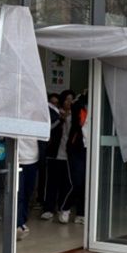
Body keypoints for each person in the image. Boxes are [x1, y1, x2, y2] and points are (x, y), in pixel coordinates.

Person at [41, 90, 74, 223]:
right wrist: (60, 119)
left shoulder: (75, 115)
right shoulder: (55, 113)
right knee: (51, 183)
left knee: (66, 184)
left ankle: (62, 207)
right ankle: (48, 209)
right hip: (54, 153)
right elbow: (48, 128)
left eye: (71, 99)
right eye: (67, 99)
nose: (69, 102)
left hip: (68, 155)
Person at [66, 91, 88, 225]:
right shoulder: (78, 106)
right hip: (77, 149)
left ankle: (81, 213)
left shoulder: (101, 110)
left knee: (86, 183)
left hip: (91, 149)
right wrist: (83, 96)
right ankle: (65, 208)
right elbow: (75, 108)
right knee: (77, 181)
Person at [16, 137, 40, 240]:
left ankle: (22, 219)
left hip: (33, 159)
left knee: (27, 192)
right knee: (19, 193)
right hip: (16, 158)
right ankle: (18, 223)